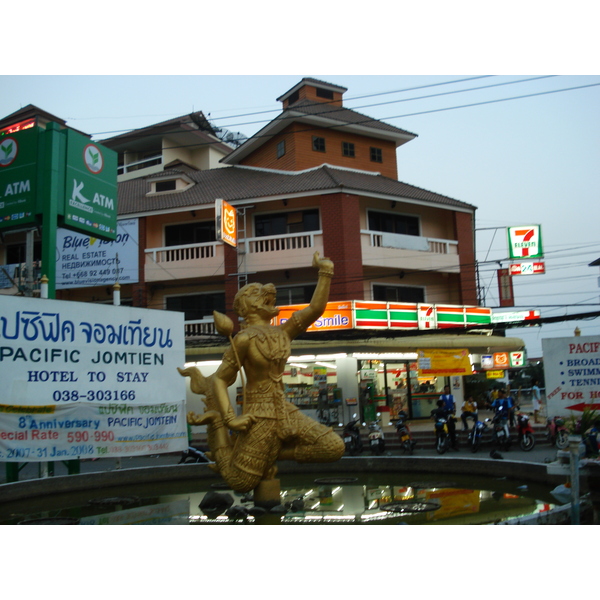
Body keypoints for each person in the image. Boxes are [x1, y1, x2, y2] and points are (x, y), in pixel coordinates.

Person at [181, 251, 345, 494]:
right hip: (259, 414)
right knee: (240, 483)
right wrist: (229, 419)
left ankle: (273, 452)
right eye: (259, 293)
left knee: (333, 447)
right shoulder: (243, 339)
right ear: (247, 305)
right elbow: (219, 380)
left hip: (285, 410)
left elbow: (316, 308)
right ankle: (216, 424)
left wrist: (325, 271)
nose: (270, 296)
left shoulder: (283, 332)